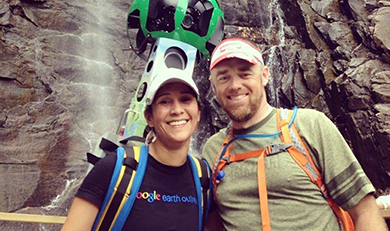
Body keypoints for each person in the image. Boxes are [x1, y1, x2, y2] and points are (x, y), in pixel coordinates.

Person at [202, 37, 388, 231]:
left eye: (245, 74)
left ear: (265, 76)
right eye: (224, 77)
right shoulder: (213, 151)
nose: (235, 85)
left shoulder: (310, 126)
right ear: (213, 85)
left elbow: (365, 211)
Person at [61, 68, 205, 231]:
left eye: (186, 99)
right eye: (165, 101)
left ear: (199, 113)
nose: (177, 110)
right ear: (149, 117)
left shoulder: (203, 178)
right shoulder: (115, 168)